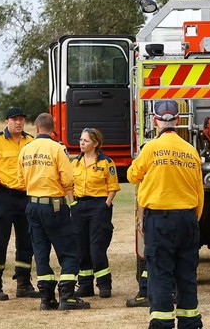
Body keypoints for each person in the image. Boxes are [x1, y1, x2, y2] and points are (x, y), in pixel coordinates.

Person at [127, 100, 205, 329]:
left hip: (159, 220)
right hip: (188, 218)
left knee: (160, 273)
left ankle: (161, 323)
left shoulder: (150, 148)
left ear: (155, 121)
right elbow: (199, 193)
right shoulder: (191, 151)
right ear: (178, 121)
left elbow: (133, 176)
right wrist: (193, 220)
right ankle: (190, 322)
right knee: (186, 274)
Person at [20, 112, 89, 310]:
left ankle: (46, 297)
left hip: (32, 205)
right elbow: (68, 179)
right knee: (69, 251)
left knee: (41, 252)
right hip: (54, 205)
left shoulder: (26, 149)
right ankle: (67, 295)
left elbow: (20, 179)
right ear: (53, 130)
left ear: (36, 128)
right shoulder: (57, 148)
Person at [0, 106, 40, 301]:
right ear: (6, 121)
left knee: (27, 242)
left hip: (26, 196)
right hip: (4, 196)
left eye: (21, 119)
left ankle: (24, 284)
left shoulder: (31, 142)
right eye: (14, 119)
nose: (18, 122)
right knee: (0, 241)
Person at [71, 127, 119, 299]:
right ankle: (85, 285)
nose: (82, 143)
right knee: (81, 248)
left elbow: (113, 187)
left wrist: (105, 205)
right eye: (81, 140)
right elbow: (69, 185)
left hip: (98, 206)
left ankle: (104, 284)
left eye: (86, 141)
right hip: (79, 206)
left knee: (96, 248)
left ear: (96, 144)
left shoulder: (106, 162)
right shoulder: (75, 162)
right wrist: (73, 204)